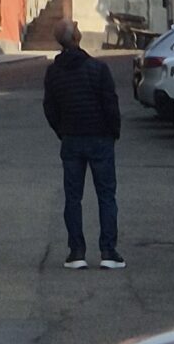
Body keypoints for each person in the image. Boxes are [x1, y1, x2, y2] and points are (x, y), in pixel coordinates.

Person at [42, 18, 123, 268]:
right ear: (77, 38)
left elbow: (50, 108)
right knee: (106, 195)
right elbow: (110, 104)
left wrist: (62, 130)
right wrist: (113, 131)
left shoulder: (53, 72)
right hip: (100, 137)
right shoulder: (98, 69)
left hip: (71, 139)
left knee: (73, 197)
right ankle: (108, 252)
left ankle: (76, 252)